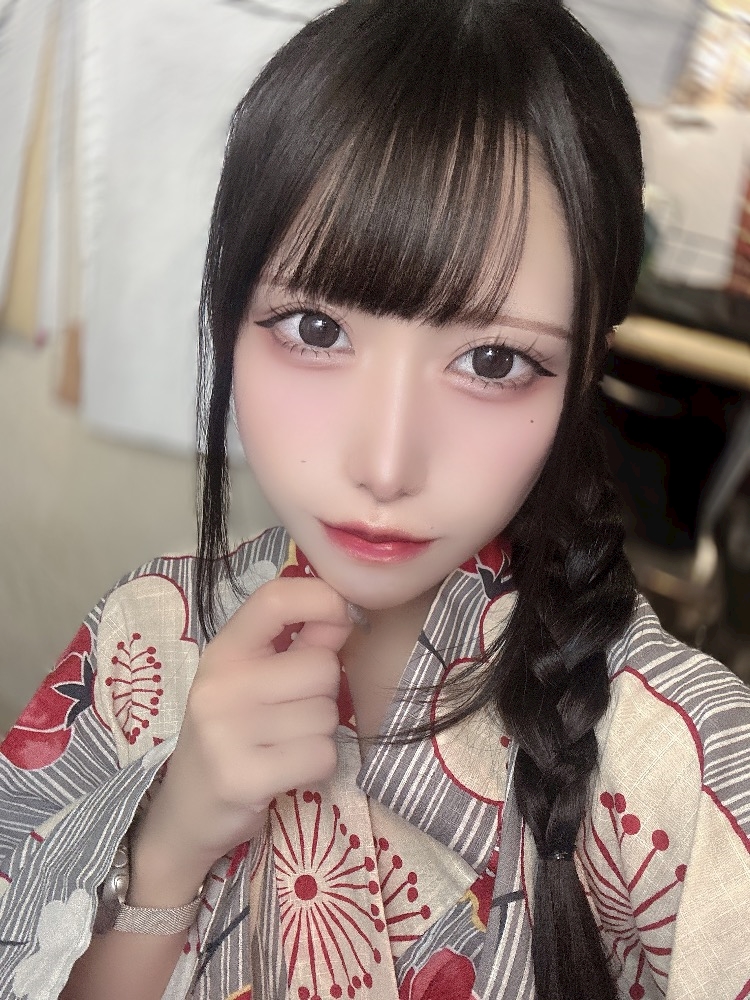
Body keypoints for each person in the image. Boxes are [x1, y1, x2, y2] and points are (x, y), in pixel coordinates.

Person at [1, 0, 748, 998]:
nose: (386, 463)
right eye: (315, 329)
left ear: (585, 367)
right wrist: (170, 841)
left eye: (494, 360)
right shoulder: (144, 633)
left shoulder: (686, 765)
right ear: (227, 308)